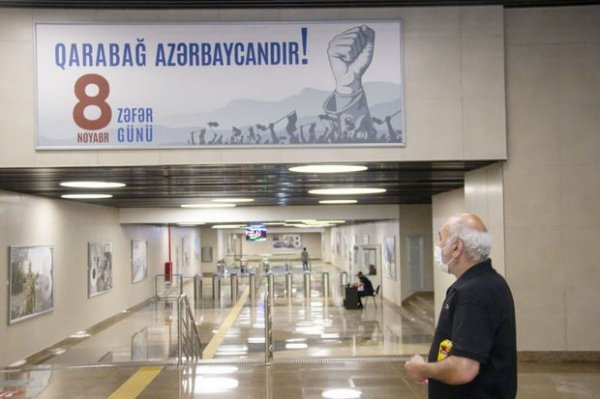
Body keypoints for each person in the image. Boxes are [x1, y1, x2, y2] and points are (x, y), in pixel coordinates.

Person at [404, 213, 517, 398]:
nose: (438, 246)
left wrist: (424, 369)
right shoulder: (486, 283)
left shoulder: (474, 293)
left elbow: (464, 369)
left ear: (456, 247)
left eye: (441, 238)